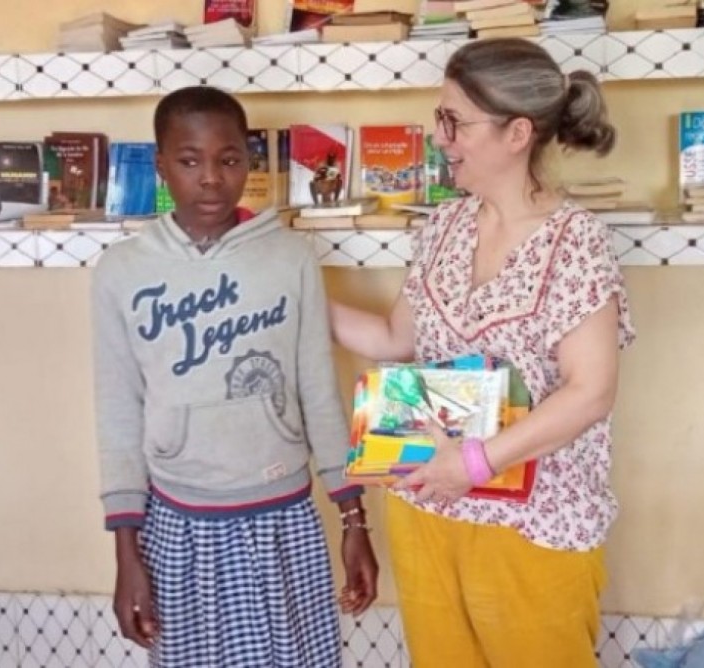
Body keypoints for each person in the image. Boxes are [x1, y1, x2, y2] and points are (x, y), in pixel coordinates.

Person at [329, 38, 635, 667]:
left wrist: (473, 463)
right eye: (440, 118)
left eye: (454, 121)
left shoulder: (575, 243)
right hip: (427, 504)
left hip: (534, 522)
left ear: (517, 132)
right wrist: (301, 302)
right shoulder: (444, 225)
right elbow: (396, 340)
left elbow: (590, 392)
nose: (441, 137)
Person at [90, 85, 378, 667]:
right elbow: (119, 413)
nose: (211, 179)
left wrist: (353, 517)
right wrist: (127, 553)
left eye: (228, 160)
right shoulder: (120, 271)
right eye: (190, 161)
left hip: (284, 520)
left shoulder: (290, 258)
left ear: (249, 161)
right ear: (161, 165)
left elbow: (318, 391)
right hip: (178, 526)